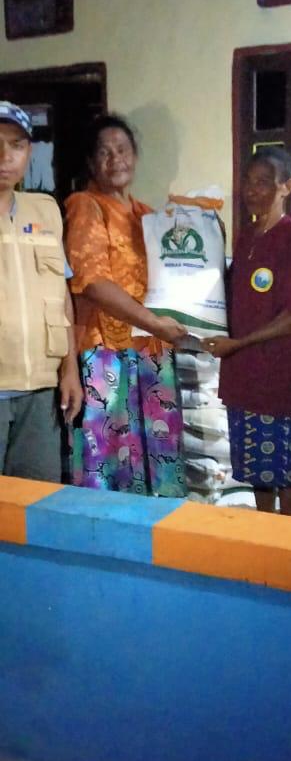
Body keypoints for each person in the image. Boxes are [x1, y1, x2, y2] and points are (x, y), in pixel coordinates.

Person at [64, 113, 187, 496]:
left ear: (135, 155)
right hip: (105, 355)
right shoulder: (86, 205)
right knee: (108, 460)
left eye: (122, 149)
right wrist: (154, 323)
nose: (115, 158)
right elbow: (92, 282)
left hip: (151, 352)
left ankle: (159, 531)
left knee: (159, 457)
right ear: (91, 163)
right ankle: (104, 532)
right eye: (104, 152)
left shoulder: (147, 215)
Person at [203, 147, 291, 517]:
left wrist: (240, 343)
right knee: (258, 474)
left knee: (286, 473)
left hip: (274, 378)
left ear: (286, 187)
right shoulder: (247, 236)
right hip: (242, 376)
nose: (251, 190)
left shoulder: (290, 238)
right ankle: (266, 536)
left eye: (263, 182)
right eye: (248, 182)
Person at [0, 101, 82, 482]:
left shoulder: (45, 210)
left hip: (40, 391)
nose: (5, 156)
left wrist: (70, 369)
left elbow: (60, 294)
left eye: (16, 145)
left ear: (29, 152)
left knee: (35, 503)